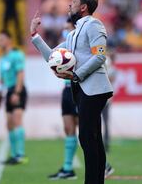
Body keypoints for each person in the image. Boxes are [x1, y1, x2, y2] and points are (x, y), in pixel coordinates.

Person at [31, 0, 113, 184]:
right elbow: (52, 55)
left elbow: (100, 56)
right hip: (84, 89)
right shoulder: (74, 33)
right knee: (93, 138)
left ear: (83, 7)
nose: (69, 5)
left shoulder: (94, 25)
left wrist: (77, 74)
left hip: (95, 89)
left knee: (86, 137)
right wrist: (34, 34)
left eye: (73, 2)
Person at [48, 19, 79, 180]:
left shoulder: (79, 46)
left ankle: (103, 165)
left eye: (67, 29)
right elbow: (50, 56)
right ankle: (68, 168)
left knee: (86, 132)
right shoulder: (64, 47)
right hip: (66, 90)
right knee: (68, 129)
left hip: (77, 89)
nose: (64, 32)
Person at [0, 30, 28, 165]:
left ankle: (21, 155)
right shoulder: (3, 58)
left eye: (2, 39)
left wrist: (17, 92)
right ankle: (14, 154)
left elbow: (20, 74)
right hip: (8, 91)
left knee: (17, 121)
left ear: (9, 40)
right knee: (9, 124)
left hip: (17, 90)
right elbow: (2, 80)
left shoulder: (17, 55)